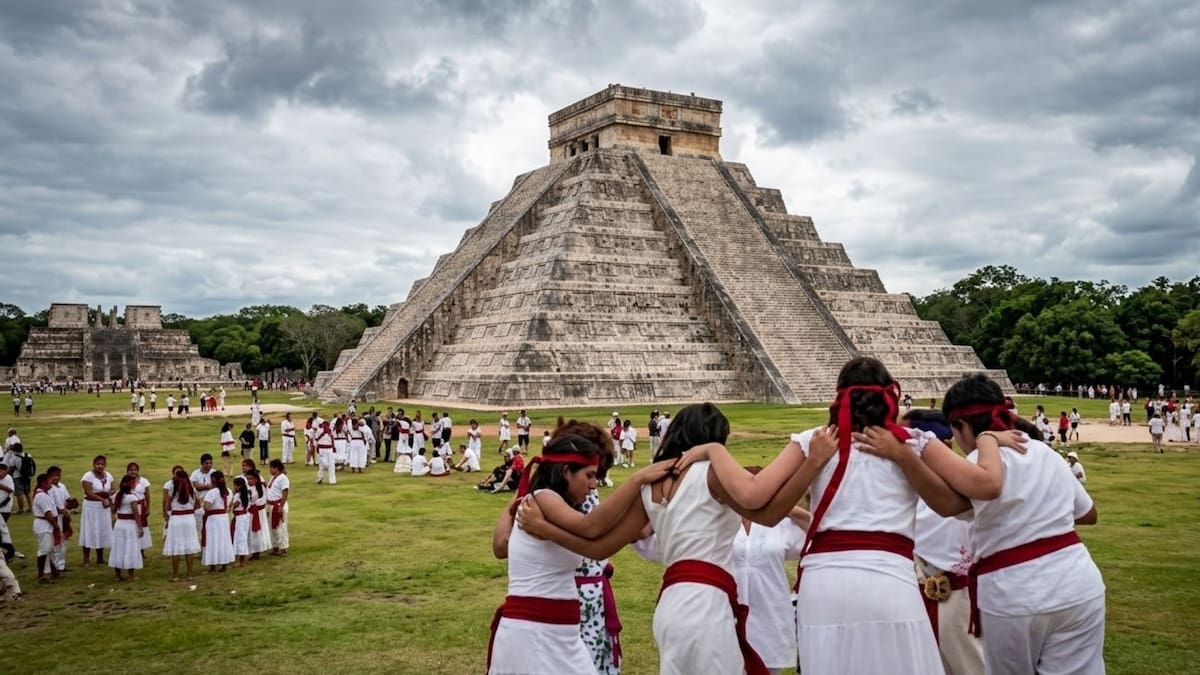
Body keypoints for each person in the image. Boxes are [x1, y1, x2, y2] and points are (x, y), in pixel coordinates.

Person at [517, 402, 840, 675]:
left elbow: (597, 545)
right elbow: (766, 509)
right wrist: (811, 463)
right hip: (706, 603)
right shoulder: (713, 473)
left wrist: (548, 531)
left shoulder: (652, 483)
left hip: (671, 604)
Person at [907, 374, 1105, 675]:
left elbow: (947, 505)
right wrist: (1043, 510)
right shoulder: (1044, 452)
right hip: (1078, 581)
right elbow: (1088, 513)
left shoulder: (975, 464)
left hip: (1015, 592)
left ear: (960, 427)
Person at [486, 434, 667, 675]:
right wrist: (636, 480)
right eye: (589, 475)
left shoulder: (550, 506)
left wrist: (651, 506)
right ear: (565, 471)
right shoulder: (543, 497)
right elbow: (591, 528)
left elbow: (599, 548)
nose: (593, 484)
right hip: (535, 632)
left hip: (556, 631)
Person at [901, 409, 985, 675]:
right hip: (913, 590)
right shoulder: (906, 485)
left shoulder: (968, 482)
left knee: (967, 663)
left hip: (957, 593)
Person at [162, 466, 200, 582]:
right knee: (189, 546)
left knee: (176, 547)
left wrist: (169, 513)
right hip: (189, 519)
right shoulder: (192, 490)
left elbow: (167, 505)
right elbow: (198, 505)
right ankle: (189, 575)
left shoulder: (172, 488)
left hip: (176, 519)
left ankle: (175, 575)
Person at [79, 455, 114, 567]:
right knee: (89, 531)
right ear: (94, 465)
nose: (100, 466)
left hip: (103, 508)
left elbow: (113, 488)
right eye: (98, 464)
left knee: (102, 530)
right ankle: (86, 560)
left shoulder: (108, 475)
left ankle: (100, 558)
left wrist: (109, 494)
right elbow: (88, 492)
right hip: (91, 507)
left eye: (102, 464)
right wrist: (102, 499)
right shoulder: (88, 476)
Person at [108, 474, 144, 581]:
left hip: (119, 524)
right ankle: (131, 575)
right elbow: (136, 513)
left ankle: (117, 575)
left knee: (118, 547)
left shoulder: (118, 495)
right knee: (130, 547)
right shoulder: (131, 497)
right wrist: (140, 527)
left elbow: (113, 510)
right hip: (129, 525)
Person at [31, 473, 61, 584]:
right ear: (44, 483)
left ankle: (54, 571)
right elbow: (47, 513)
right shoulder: (41, 496)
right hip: (44, 524)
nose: (51, 484)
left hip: (44, 524)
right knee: (44, 549)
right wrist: (55, 525)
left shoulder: (42, 494)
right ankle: (41, 574)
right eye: (49, 482)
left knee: (49, 549)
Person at [201, 470, 234, 573]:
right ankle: (224, 564)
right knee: (223, 540)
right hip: (224, 518)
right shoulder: (228, 491)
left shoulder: (212, 492)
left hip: (213, 519)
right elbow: (230, 504)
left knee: (212, 540)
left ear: (213, 480)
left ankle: (212, 566)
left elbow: (207, 507)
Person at [126, 462, 152, 555]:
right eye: (131, 470)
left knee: (141, 526)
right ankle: (132, 549)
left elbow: (147, 496)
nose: (133, 472)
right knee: (132, 526)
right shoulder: (125, 481)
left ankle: (141, 550)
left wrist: (148, 507)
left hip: (141, 506)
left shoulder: (144, 481)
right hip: (129, 507)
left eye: (135, 470)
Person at [266, 460, 289, 556]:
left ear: (276, 468)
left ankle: (283, 548)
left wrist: (281, 506)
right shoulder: (272, 478)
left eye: (271, 467)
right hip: (271, 504)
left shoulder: (283, 478)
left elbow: (285, 493)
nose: (270, 470)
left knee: (281, 527)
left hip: (279, 504)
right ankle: (275, 546)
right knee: (272, 527)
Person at [229, 476, 253, 567]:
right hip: (244, 517)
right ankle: (241, 558)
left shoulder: (238, 496)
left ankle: (241, 560)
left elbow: (233, 506)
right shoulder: (246, 494)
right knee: (241, 537)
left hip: (240, 518)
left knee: (240, 538)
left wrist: (233, 495)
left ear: (238, 486)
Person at [248, 470, 272, 558]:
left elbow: (264, 498)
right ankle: (253, 550)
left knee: (259, 531)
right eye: (248, 479)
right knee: (252, 531)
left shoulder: (261, 487)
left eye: (251, 479)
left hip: (259, 512)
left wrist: (255, 503)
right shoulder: (247, 488)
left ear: (256, 479)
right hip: (251, 513)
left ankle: (258, 550)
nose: (249, 481)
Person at [315, 420, 337, 485]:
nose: (327, 426)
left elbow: (333, 439)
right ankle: (320, 478)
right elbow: (316, 439)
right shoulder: (319, 431)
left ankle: (332, 480)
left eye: (327, 425)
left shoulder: (331, 431)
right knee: (322, 465)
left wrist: (333, 447)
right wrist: (324, 432)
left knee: (331, 465)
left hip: (329, 449)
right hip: (322, 449)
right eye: (325, 425)